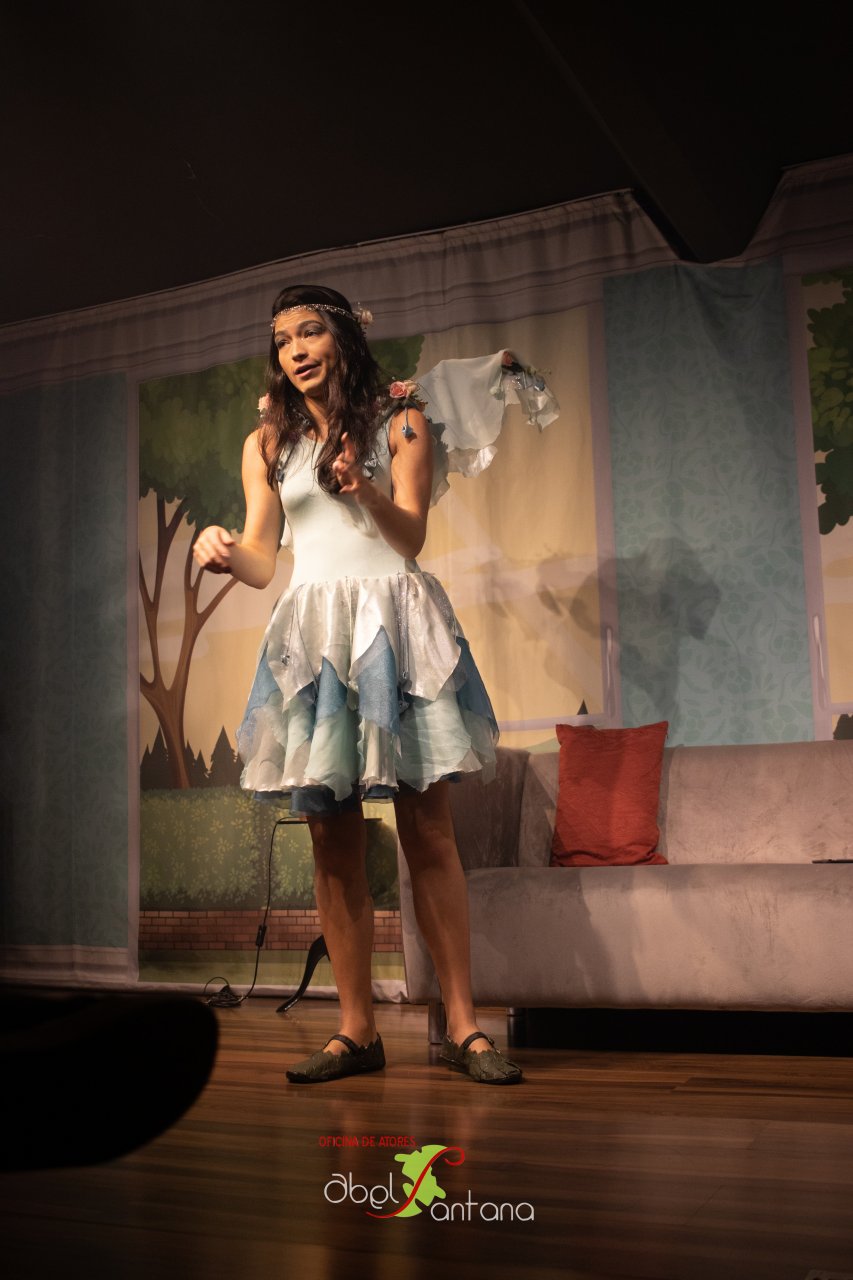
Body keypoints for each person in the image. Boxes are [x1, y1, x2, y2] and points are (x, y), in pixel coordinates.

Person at [193, 284, 523, 1085]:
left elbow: (409, 536)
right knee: (330, 837)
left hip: (393, 626)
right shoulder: (266, 444)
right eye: (283, 341)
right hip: (315, 641)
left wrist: (362, 487)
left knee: (427, 830)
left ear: (343, 338)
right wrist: (225, 550)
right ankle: (356, 1031)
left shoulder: (400, 420)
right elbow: (264, 560)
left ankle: (461, 1026)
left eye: (310, 332)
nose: (296, 350)